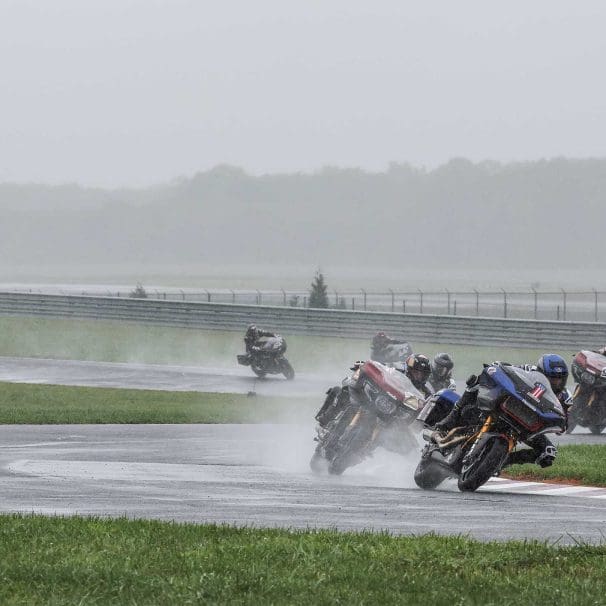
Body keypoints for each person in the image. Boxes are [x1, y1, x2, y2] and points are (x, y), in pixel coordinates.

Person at [435, 356, 569, 468]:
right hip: (510, 405)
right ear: (541, 372)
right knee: (475, 382)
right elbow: (504, 369)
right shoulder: (529, 370)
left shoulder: (564, 397)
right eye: (552, 379)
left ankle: (500, 463)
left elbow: (563, 424)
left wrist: (560, 422)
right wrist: (497, 366)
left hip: (530, 424)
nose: (556, 383)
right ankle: (450, 419)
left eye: (560, 379)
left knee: (548, 452)